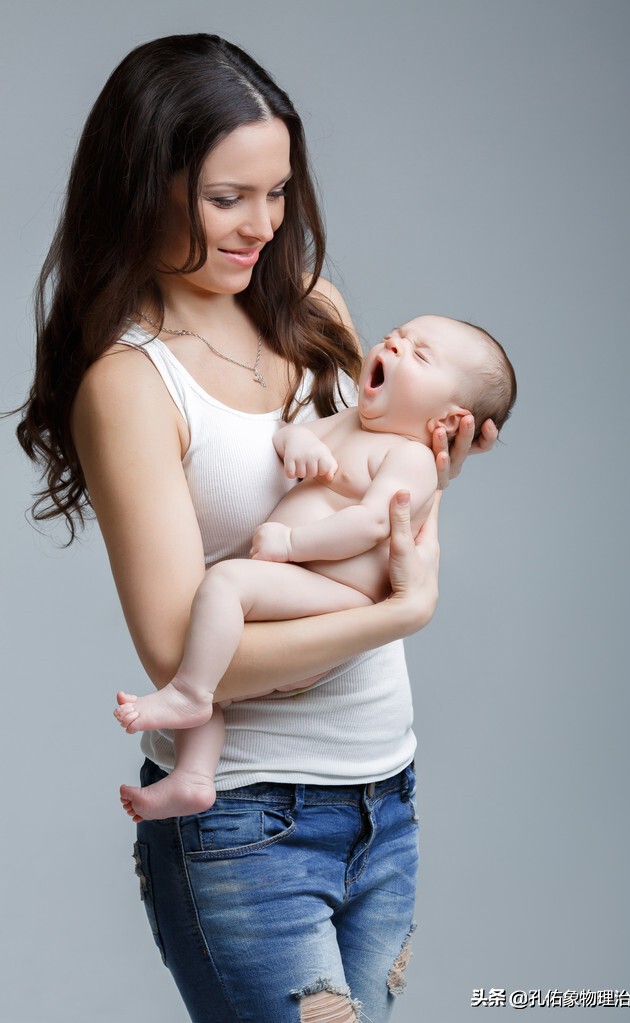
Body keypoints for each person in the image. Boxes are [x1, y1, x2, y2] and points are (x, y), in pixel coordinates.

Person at [16, 33, 498, 1023]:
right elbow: (179, 651)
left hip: (385, 797)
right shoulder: (130, 381)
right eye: (226, 198)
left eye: (276, 193)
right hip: (245, 820)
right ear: (143, 186)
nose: (261, 227)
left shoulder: (312, 307)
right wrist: (397, 616)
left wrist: (433, 471)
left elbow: (370, 504)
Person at [114, 314, 516, 823]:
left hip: (336, 597)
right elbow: (292, 436)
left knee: (225, 583)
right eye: (398, 335)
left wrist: (292, 542)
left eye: (419, 355)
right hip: (300, 594)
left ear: (449, 421)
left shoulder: (410, 458)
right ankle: (194, 777)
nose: (394, 344)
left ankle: (191, 694)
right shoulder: (352, 422)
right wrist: (298, 444)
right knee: (206, 641)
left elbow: (372, 522)